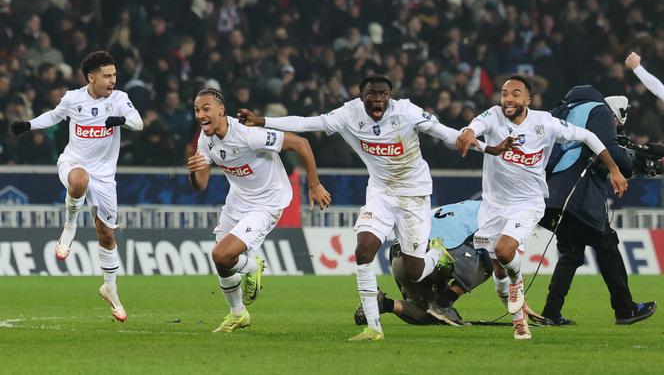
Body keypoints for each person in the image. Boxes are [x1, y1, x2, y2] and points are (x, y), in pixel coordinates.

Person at [238, 74, 509, 341]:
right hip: (381, 192)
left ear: (390, 97)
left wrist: (487, 148)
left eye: (383, 94)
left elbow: (447, 134)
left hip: (413, 195)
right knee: (364, 247)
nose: (378, 99)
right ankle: (373, 328)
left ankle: (437, 255)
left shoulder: (406, 111)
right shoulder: (349, 114)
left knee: (415, 271)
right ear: (362, 96)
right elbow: (311, 122)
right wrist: (263, 121)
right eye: (372, 94)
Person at [456, 75, 629, 340]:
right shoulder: (493, 116)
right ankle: (516, 302)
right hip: (494, 206)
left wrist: (614, 169)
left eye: (515, 93)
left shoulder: (545, 123)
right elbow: (474, 127)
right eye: (504, 93)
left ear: (528, 99)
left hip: (529, 202)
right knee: (498, 268)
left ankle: (517, 290)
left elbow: (589, 136)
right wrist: (469, 133)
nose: (508, 98)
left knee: (504, 250)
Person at [11, 50, 143, 322]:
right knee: (79, 180)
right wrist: (28, 125)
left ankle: (110, 288)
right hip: (73, 162)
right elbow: (54, 116)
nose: (112, 80)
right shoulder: (73, 98)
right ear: (91, 78)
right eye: (107, 76)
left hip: (105, 175)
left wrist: (121, 120)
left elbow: (138, 123)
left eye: (115, 75)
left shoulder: (119, 99)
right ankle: (69, 226)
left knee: (106, 234)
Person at [186, 88, 331, 333]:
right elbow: (200, 186)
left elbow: (300, 143)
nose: (200, 115)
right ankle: (238, 314)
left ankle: (253, 266)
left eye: (206, 108)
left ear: (221, 110)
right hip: (237, 201)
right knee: (222, 263)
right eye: (197, 110)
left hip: (267, 202)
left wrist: (314, 184)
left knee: (221, 255)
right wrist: (193, 170)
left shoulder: (248, 135)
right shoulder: (205, 139)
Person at [537, 85, 657, 326]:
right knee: (606, 244)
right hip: (578, 196)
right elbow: (609, 148)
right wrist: (628, 164)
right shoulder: (598, 111)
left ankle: (551, 311)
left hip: (550, 195)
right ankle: (625, 310)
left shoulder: (558, 113)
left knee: (571, 253)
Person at [353, 200, 543, 327]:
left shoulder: (468, 207)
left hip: (401, 257)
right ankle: (444, 302)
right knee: (488, 261)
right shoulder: (501, 218)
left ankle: (383, 303)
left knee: (428, 315)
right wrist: (516, 305)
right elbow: (499, 267)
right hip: (430, 253)